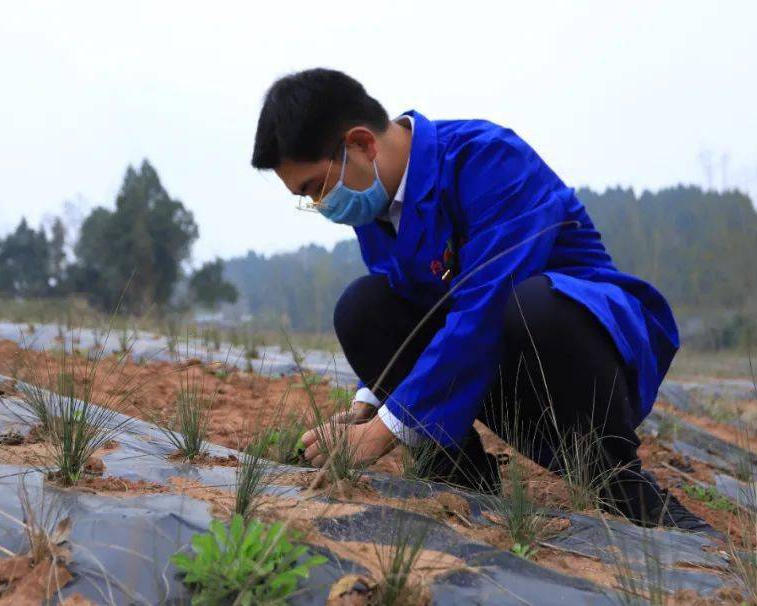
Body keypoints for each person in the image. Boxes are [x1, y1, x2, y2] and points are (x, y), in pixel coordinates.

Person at [249, 68, 715, 535]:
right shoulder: (375, 207)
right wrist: (368, 402)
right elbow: (414, 308)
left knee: (533, 304)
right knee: (362, 307)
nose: (321, 205)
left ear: (362, 144)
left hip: (573, 360)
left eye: (315, 187)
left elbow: (484, 306)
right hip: (488, 359)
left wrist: (378, 435)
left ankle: (622, 485)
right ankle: (459, 478)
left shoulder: (488, 159)